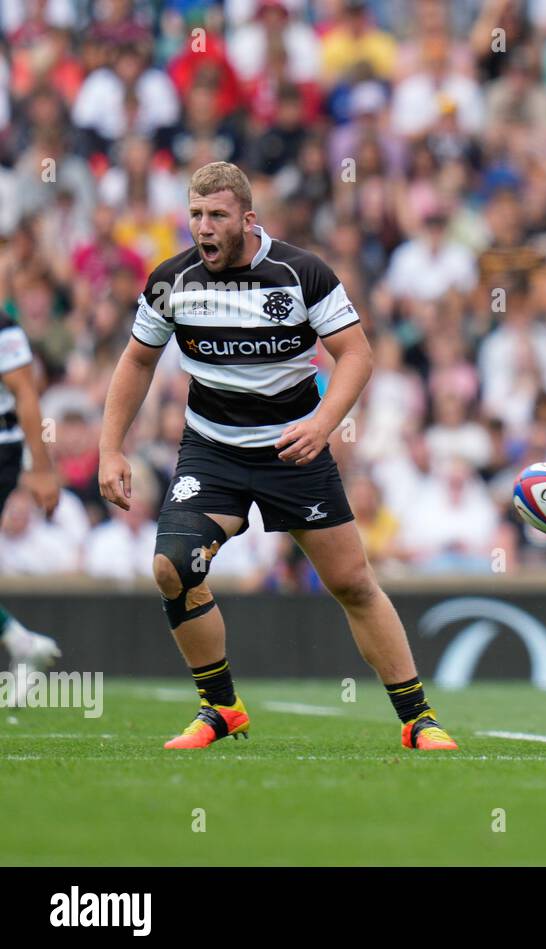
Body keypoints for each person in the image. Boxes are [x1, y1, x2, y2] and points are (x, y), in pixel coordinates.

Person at [97, 161, 456, 752]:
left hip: (293, 449)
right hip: (211, 450)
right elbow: (137, 361)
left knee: (352, 582)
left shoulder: (302, 273)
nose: (203, 227)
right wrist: (111, 448)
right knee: (172, 567)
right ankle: (221, 709)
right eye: (195, 214)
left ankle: (417, 719)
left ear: (247, 218)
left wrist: (322, 423)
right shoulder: (170, 281)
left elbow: (357, 355)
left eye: (216, 215)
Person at [0, 305, 62, 672]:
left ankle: (20, 640)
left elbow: (26, 394)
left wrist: (41, 468)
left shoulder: (4, 326)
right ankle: (21, 642)